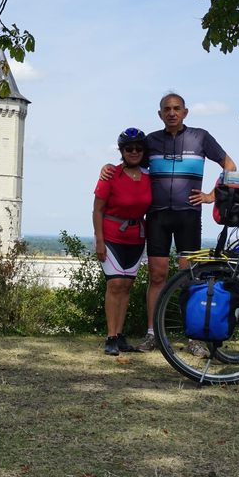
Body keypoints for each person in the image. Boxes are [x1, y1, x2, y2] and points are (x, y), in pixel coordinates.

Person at [100, 93, 236, 353]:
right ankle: (153, 335)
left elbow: (229, 165)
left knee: (189, 276)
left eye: (176, 108)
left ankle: (194, 338)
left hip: (188, 216)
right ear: (160, 114)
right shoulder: (151, 141)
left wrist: (212, 195)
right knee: (157, 276)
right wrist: (107, 167)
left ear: (185, 112)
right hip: (158, 217)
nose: (172, 113)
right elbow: (130, 159)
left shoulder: (200, 137)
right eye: (167, 109)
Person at [93, 128, 152, 356]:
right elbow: (97, 210)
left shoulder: (149, 177)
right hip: (111, 236)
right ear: (122, 151)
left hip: (136, 237)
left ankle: (119, 334)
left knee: (126, 286)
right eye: (129, 149)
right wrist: (99, 241)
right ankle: (110, 337)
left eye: (138, 148)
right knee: (115, 284)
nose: (134, 152)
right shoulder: (111, 175)